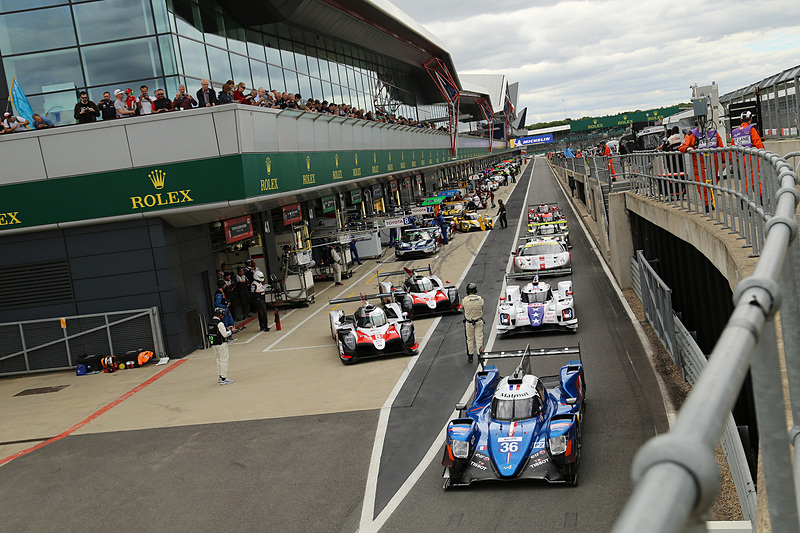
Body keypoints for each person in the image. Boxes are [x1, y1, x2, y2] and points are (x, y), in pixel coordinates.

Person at [678, 124, 724, 212]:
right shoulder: (692, 134)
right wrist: (688, 148)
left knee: (713, 183)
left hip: (713, 162)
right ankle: (707, 203)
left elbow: (721, 147)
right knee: (702, 184)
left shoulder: (714, 132)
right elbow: (682, 146)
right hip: (699, 163)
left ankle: (710, 201)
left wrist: (723, 161)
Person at [208, 307, 234, 385]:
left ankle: (220, 376)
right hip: (221, 344)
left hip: (214, 344)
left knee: (218, 360)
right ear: (219, 314)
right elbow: (225, 334)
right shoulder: (220, 323)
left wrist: (226, 328)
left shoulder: (210, 322)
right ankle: (224, 378)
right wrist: (231, 331)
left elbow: (217, 330)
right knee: (224, 360)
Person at [462, 282, 484, 364]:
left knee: (469, 340)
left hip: (469, 322)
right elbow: (482, 306)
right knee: (479, 339)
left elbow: (463, 307)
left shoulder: (465, 300)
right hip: (478, 321)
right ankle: (480, 357)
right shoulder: (480, 299)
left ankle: (470, 356)